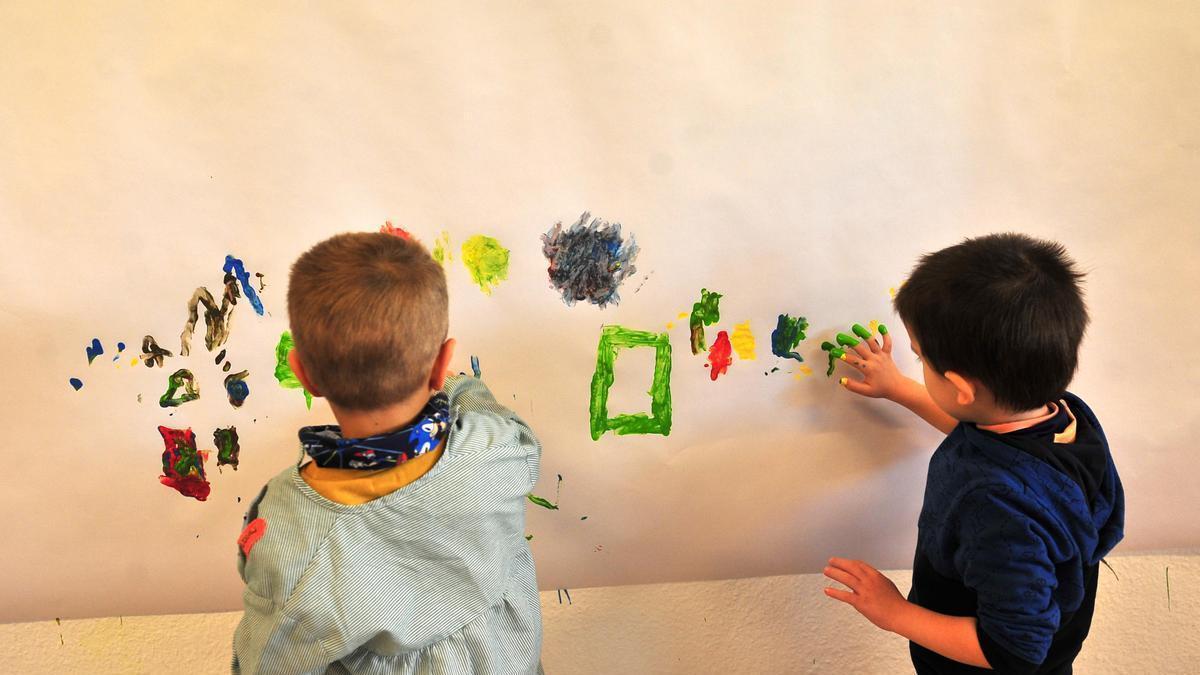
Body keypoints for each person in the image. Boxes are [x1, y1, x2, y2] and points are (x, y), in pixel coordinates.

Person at [232, 231, 543, 674]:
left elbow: (268, 664)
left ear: (301, 372)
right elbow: (483, 405)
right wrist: (451, 380)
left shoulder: (293, 531)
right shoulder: (496, 454)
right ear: (442, 362)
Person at [823, 233, 1124, 673]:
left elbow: (1014, 650)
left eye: (922, 360)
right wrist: (899, 388)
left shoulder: (1000, 508)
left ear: (962, 387)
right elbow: (984, 434)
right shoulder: (1066, 419)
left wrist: (893, 613)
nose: (919, 367)